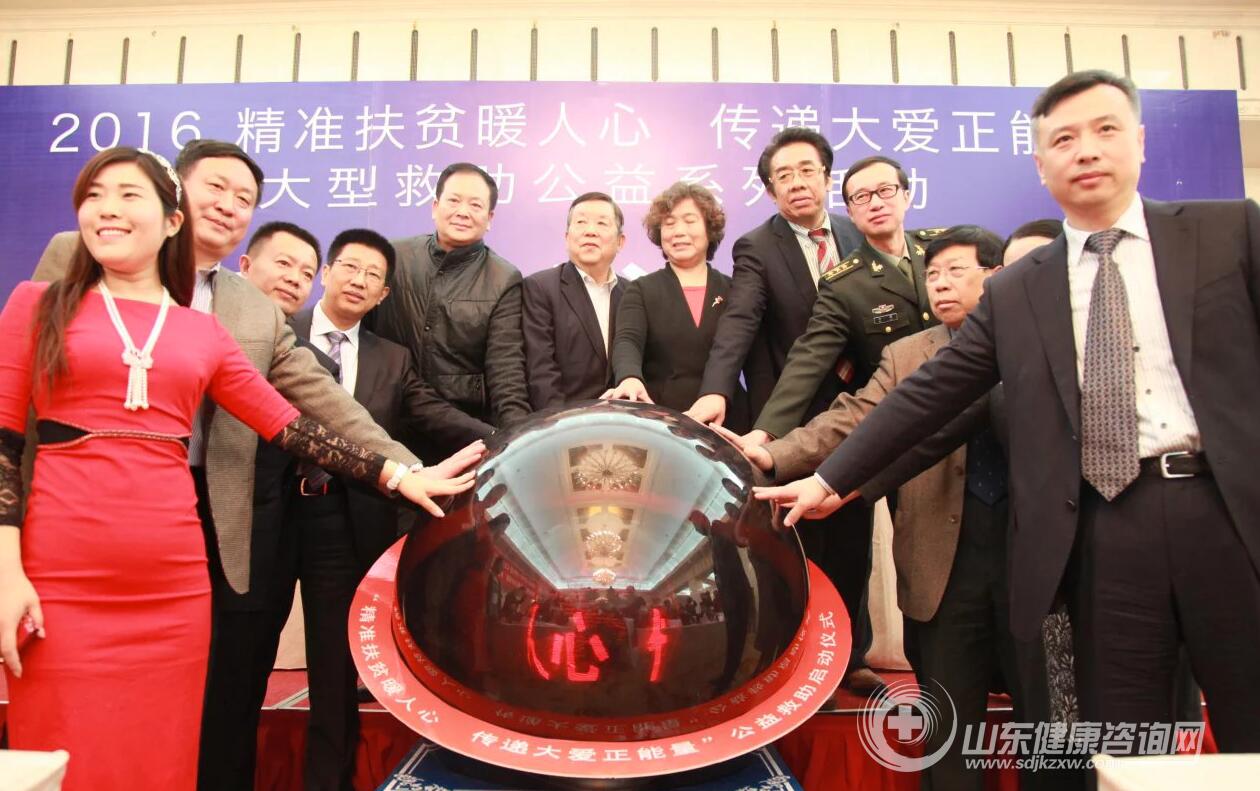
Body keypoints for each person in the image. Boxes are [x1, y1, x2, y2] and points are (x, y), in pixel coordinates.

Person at [752, 70, 1260, 753]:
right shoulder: (1020, 287)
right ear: (1040, 164)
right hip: (1105, 527)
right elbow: (930, 393)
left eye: (1105, 130)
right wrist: (827, 479)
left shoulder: (1229, 232)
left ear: (1140, 142)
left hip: (1227, 516)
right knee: (1131, 742)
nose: (1086, 150)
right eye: (1064, 139)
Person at [0, 147, 476, 791]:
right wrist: (6, 563)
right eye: (94, 196)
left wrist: (400, 472)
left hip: (176, 559)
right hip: (62, 550)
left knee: (175, 738)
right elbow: (6, 435)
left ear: (168, 217)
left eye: (129, 196)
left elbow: (297, 419)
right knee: (55, 744)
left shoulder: (219, 323)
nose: (109, 210)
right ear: (181, 196)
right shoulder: (42, 298)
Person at [740, 226, 1061, 790]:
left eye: (956, 271)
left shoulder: (1050, 345)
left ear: (998, 277)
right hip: (942, 565)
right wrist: (774, 455)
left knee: (1051, 732)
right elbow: (857, 419)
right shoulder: (910, 353)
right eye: (931, 274)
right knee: (950, 736)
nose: (941, 284)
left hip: (1038, 562)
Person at [290, 228, 491, 789]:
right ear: (325, 273)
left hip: (345, 520)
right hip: (271, 517)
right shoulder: (279, 333)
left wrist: (507, 438)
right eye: (349, 267)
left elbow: (435, 415)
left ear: (383, 296)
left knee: (333, 666)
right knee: (244, 657)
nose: (359, 281)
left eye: (373, 276)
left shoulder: (393, 357)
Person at [742, 153, 944, 694]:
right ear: (849, 209)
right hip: (885, 434)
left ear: (907, 194)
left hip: (970, 438)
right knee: (917, 563)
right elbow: (809, 360)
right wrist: (768, 435)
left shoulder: (944, 254)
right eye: (862, 198)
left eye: (885, 191)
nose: (875, 204)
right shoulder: (845, 282)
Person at [374, 163, 531, 460]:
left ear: (489, 218)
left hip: (461, 432)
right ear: (435, 207)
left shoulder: (503, 277)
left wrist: (517, 438)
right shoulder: (394, 258)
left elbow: (506, 369)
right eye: (454, 200)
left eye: (475, 205)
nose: (463, 211)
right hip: (386, 425)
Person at [603, 182, 751, 430]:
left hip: (727, 421)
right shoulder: (641, 289)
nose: (679, 231)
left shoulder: (734, 289)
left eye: (690, 221)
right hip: (662, 422)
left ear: (709, 229)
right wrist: (629, 377)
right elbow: (628, 340)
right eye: (669, 224)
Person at [522, 192, 627, 409]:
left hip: (623, 421)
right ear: (567, 237)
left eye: (602, 223)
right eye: (581, 222)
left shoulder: (632, 293)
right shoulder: (540, 288)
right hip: (565, 421)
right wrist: (562, 422)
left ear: (620, 242)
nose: (590, 231)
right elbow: (541, 369)